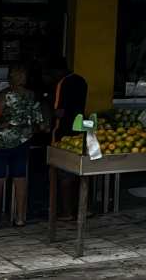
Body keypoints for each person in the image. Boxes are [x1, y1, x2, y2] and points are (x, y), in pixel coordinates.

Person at [0, 67, 46, 229]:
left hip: (2, 143)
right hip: (23, 142)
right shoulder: (31, 96)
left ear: (10, 79)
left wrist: (1, 123)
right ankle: (20, 218)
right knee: (20, 178)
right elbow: (39, 121)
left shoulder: (5, 96)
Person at [48, 57, 88, 221]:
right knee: (81, 171)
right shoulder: (82, 80)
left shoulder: (63, 83)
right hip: (80, 130)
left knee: (64, 172)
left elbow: (59, 111)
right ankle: (85, 208)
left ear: (57, 71)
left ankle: (66, 211)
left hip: (64, 132)